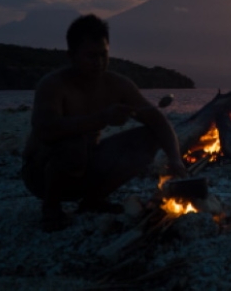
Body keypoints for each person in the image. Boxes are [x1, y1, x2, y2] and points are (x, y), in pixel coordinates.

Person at [21, 14, 188, 232]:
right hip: (41, 173)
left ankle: (92, 200)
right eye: (91, 56)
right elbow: (45, 129)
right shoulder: (53, 85)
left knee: (148, 137)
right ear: (72, 55)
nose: (99, 62)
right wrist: (101, 119)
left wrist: (175, 159)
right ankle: (51, 208)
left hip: (87, 166)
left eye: (103, 55)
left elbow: (156, 119)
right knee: (74, 143)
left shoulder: (117, 85)